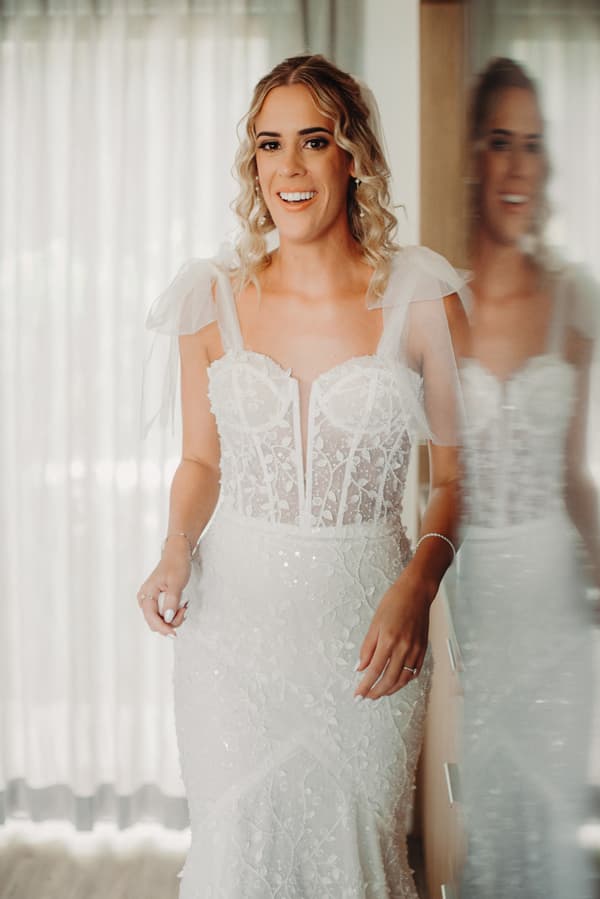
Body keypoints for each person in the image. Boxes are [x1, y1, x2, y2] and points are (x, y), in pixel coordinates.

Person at [137, 54, 467, 899]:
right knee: (237, 856)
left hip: (369, 643)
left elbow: (457, 477)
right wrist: (174, 546)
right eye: (269, 144)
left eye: (313, 141)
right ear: (253, 162)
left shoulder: (421, 298)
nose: (289, 167)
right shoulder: (211, 300)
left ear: (351, 156)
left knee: (358, 857)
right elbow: (201, 461)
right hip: (230, 641)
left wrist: (418, 585)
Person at [455, 57, 599, 899]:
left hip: (551, 610)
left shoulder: (573, 298)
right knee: (474, 832)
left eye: (534, 145)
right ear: (473, 154)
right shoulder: (437, 300)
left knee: (545, 828)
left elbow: (575, 475)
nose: (518, 165)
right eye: (501, 141)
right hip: (468, 605)